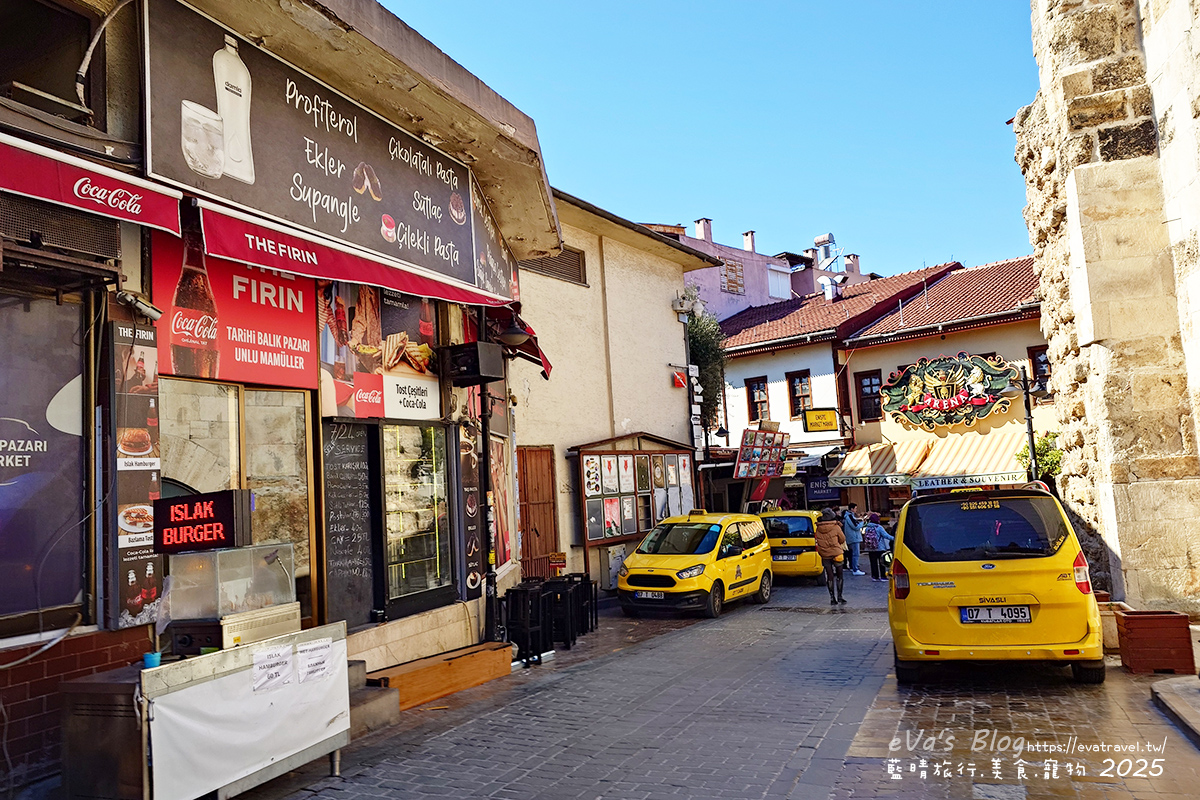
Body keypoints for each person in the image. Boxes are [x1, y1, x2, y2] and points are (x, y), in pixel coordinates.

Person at [815, 507, 847, 605]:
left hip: (825, 554)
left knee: (829, 576)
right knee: (840, 575)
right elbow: (842, 539)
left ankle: (832, 598)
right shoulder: (836, 527)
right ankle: (840, 596)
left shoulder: (818, 528)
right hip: (836, 553)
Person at [862, 513, 894, 582]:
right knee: (882, 563)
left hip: (870, 548)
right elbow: (886, 536)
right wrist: (895, 538)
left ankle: (874, 576)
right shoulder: (879, 527)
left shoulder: (867, 528)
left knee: (873, 563)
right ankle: (882, 576)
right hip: (880, 547)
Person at [842, 502, 865, 575]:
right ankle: (855, 569)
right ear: (852, 509)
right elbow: (855, 527)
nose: (856, 510)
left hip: (851, 537)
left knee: (853, 554)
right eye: (855, 508)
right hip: (854, 538)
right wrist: (862, 523)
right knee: (856, 554)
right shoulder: (850, 517)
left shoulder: (849, 516)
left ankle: (854, 567)